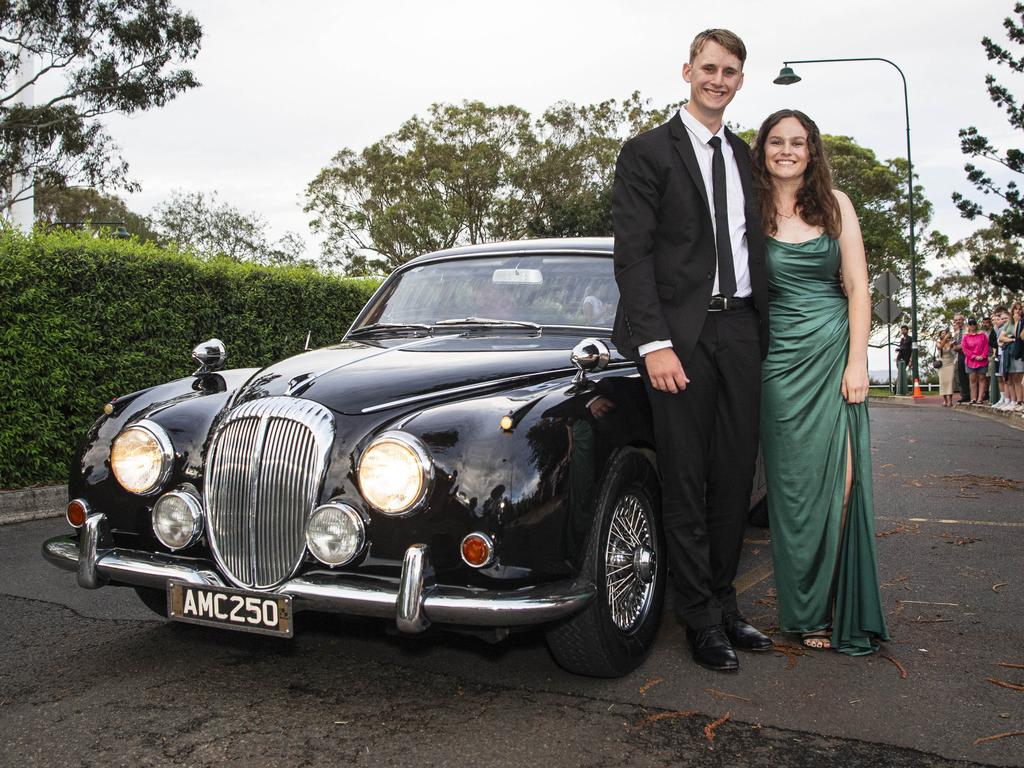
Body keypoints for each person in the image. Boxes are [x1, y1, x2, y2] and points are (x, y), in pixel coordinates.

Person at [611, 28, 772, 672]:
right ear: (687, 71)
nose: (719, 79)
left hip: (741, 332)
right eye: (709, 68)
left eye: (730, 71)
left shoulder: (746, 157)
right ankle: (698, 618)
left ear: (739, 81)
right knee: (685, 477)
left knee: (734, 475)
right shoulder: (647, 152)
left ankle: (726, 604)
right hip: (678, 337)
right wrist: (654, 343)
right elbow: (634, 255)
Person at [751, 108, 888, 655]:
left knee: (845, 483)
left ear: (813, 151)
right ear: (762, 149)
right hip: (779, 364)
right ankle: (806, 613)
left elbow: (858, 287)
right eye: (777, 142)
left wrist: (858, 363)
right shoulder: (747, 208)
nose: (787, 150)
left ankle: (839, 605)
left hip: (835, 354)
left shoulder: (836, 206)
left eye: (799, 142)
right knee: (794, 493)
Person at [962, 318, 989, 403]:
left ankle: (980, 398)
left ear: (976, 325)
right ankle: (973, 398)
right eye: (970, 324)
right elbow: (965, 348)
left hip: (982, 360)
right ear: (968, 326)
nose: (972, 325)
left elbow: (986, 346)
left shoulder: (982, 335)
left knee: (982, 378)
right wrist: (973, 356)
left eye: (974, 323)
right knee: (972, 378)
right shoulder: (966, 337)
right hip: (971, 360)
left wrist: (983, 356)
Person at [952, 314, 970, 403]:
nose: (958, 322)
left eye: (959, 320)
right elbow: (954, 345)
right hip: (959, 356)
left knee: (969, 375)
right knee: (961, 375)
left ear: (963, 320)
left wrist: (960, 346)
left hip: (968, 355)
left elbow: (968, 343)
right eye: (956, 320)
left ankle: (972, 395)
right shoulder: (956, 332)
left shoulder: (967, 329)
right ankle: (965, 395)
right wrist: (957, 347)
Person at [936, 329, 955, 407]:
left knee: (950, 381)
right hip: (942, 364)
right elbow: (940, 347)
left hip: (950, 363)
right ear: (940, 335)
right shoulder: (938, 343)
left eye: (946, 333)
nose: (944, 334)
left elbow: (954, 349)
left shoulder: (951, 343)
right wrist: (944, 339)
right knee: (943, 382)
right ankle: (945, 400)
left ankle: (950, 400)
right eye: (943, 333)